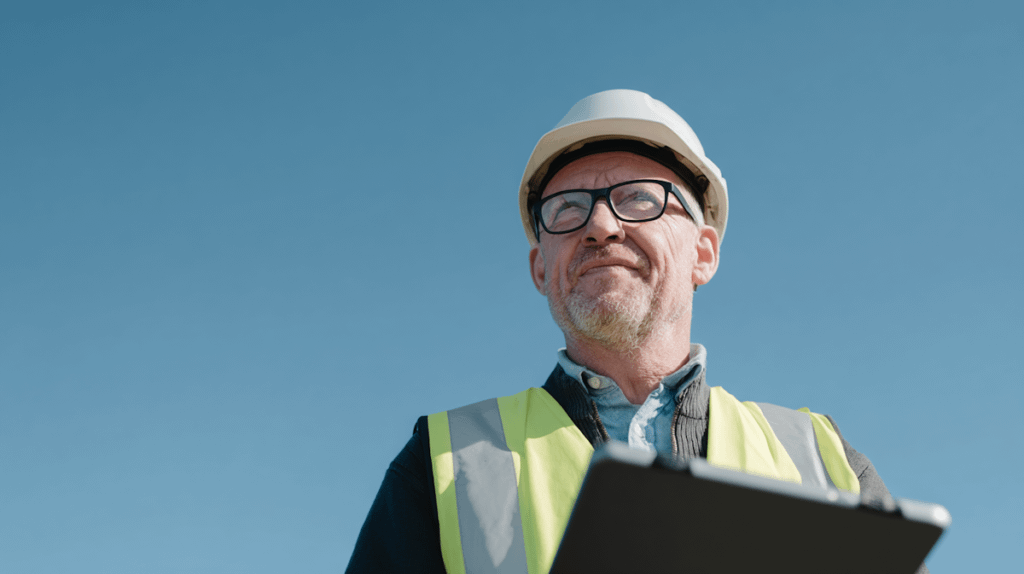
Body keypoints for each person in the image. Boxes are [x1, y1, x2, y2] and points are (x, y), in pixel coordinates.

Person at [346, 89, 925, 574]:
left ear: (704, 253)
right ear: (539, 267)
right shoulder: (444, 464)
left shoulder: (823, 460)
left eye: (640, 199)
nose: (600, 225)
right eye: (568, 208)